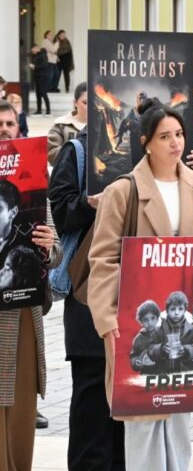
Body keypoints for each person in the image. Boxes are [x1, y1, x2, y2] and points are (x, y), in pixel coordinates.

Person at [89, 100, 193, 471]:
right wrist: (106, 320)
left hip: (185, 317)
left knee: (181, 417)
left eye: (179, 134)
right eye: (165, 136)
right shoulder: (123, 191)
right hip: (139, 321)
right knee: (142, 418)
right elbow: (103, 260)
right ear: (146, 143)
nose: (175, 143)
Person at [50, 124, 128, 470]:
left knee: (127, 406)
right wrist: (89, 203)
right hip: (89, 292)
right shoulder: (78, 151)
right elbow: (61, 212)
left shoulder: (146, 149)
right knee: (93, 401)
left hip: (138, 293)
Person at [0, 179, 59, 471]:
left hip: (22, 315)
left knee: (20, 402)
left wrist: (48, 246)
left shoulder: (35, 200)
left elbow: (57, 253)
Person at [47, 81, 87, 166]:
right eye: (85, 103)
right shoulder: (61, 125)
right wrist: (75, 148)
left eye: (94, 103)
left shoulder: (106, 126)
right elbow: (51, 154)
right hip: (68, 172)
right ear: (75, 103)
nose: (90, 107)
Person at [28, 45, 50, 117]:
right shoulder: (36, 56)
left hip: (42, 77)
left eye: (33, 50)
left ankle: (48, 111)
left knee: (43, 93)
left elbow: (45, 65)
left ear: (37, 48)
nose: (32, 51)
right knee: (38, 94)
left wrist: (35, 66)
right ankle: (39, 110)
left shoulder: (43, 55)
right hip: (37, 77)